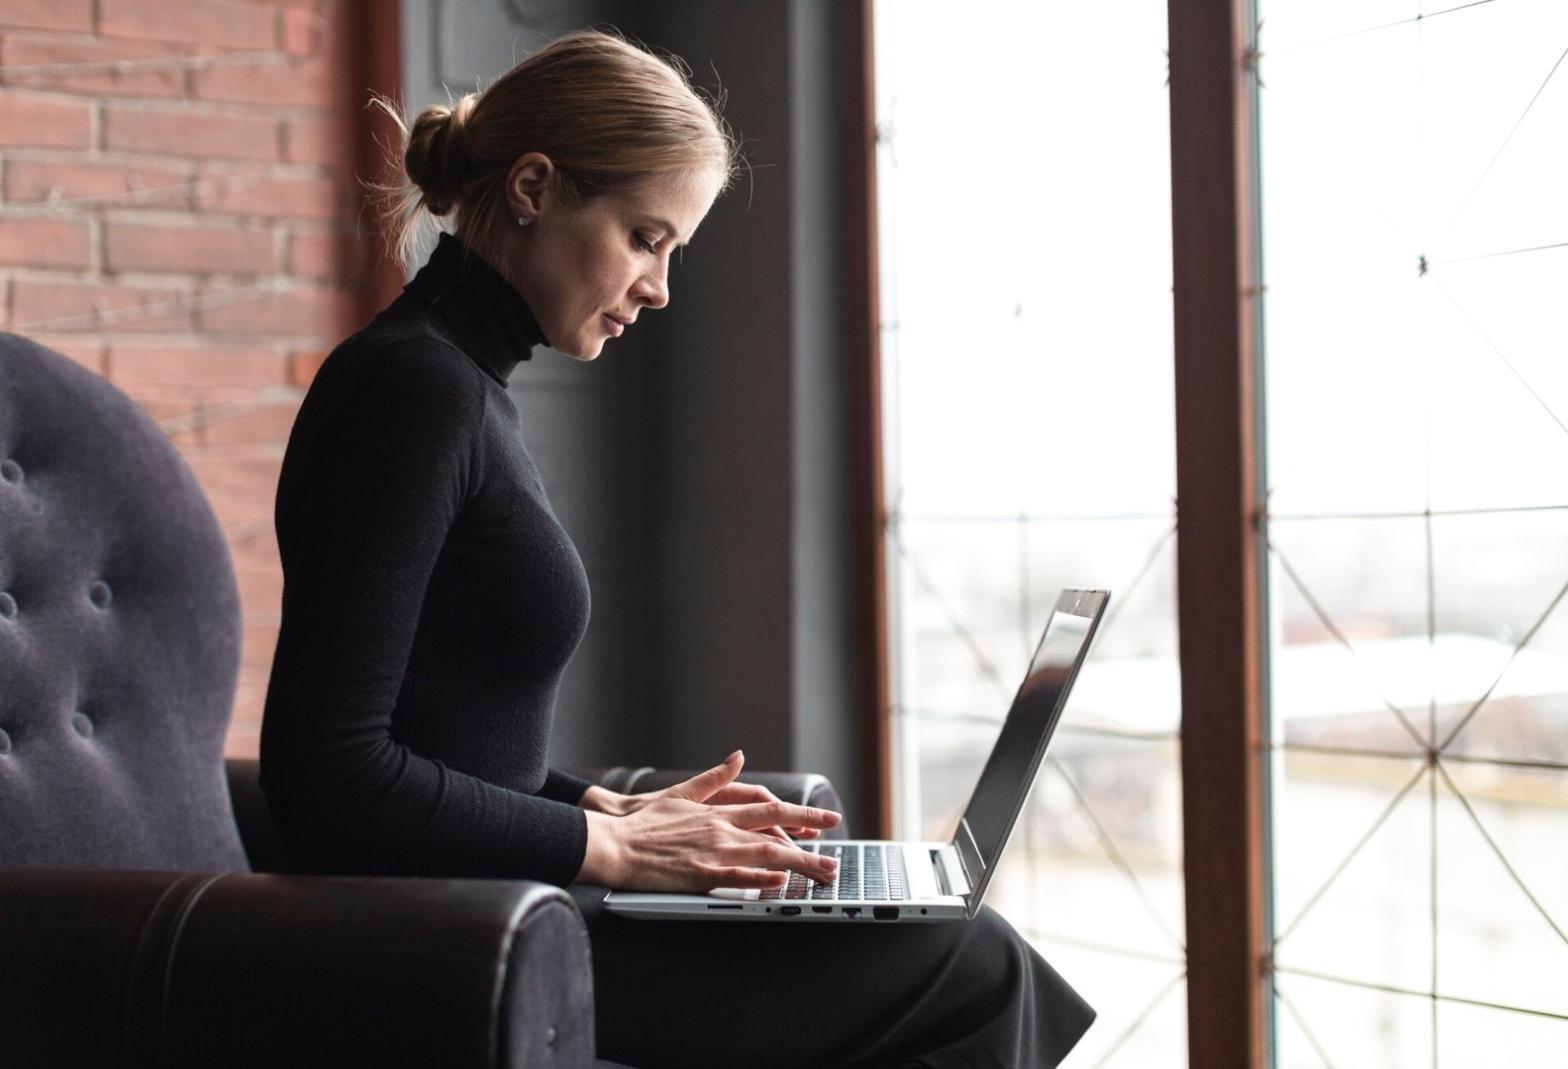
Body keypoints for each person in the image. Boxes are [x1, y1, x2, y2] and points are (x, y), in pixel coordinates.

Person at [259, 28, 1094, 1067]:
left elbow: (449, 742)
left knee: (958, 951)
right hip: (454, 943)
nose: (658, 287)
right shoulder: (414, 391)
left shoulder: (460, 390)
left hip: (504, 899)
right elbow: (327, 775)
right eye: (645, 237)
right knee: (976, 969)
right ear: (532, 187)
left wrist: (604, 806)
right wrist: (610, 844)